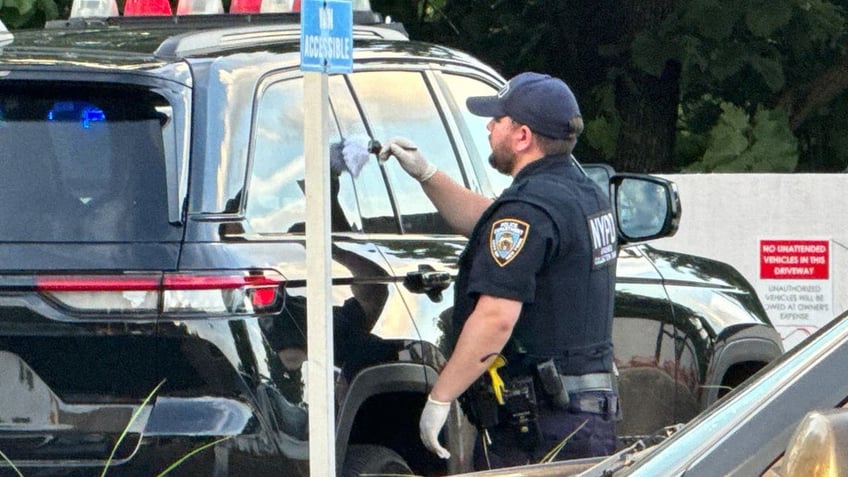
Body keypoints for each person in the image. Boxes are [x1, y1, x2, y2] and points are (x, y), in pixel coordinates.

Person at [379, 72, 620, 469]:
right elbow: (492, 223)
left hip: (540, 431)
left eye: (498, 120)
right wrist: (427, 175)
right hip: (585, 418)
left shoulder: (528, 210)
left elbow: (495, 319)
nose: (489, 127)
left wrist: (441, 396)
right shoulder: (583, 195)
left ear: (522, 136)